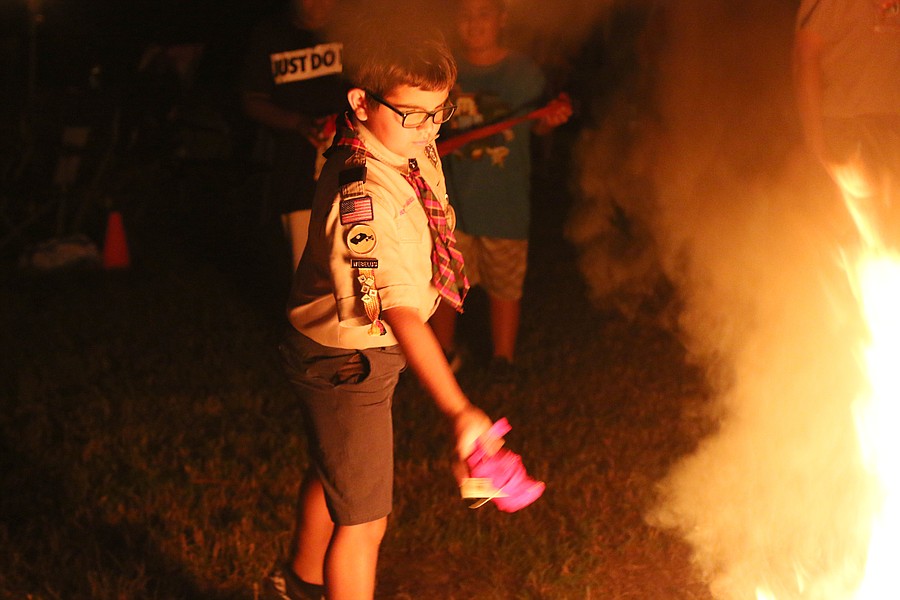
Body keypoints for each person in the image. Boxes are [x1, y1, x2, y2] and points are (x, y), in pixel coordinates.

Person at [267, 19, 497, 600]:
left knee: (338, 470)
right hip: (347, 361)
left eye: (439, 112)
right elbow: (396, 311)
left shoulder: (402, 141)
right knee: (364, 522)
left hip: (359, 352)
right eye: (413, 114)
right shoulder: (361, 195)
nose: (428, 129)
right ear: (359, 102)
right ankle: (305, 583)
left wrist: (420, 125)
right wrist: (457, 410)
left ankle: (296, 583)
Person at [429, 0, 572, 376]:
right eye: (466, 15)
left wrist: (551, 120)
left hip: (505, 208)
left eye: (484, 14)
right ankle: (442, 354)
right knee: (447, 285)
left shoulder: (521, 72)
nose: (475, 23)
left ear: (502, 19)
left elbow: (538, 123)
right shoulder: (447, 70)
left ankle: (503, 359)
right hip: (453, 205)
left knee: (504, 286)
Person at [240, 0, 347, 272]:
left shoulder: (354, 29)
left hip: (351, 164)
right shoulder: (272, 33)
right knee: (307, 267)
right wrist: (298, 123)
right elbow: (252, 100)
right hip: (296, 170)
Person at [793, 0, 900, 243]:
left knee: (891, 234)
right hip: (846, 127)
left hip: (893, 127)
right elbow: (806, 59)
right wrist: (817, 147)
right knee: (860, 238)